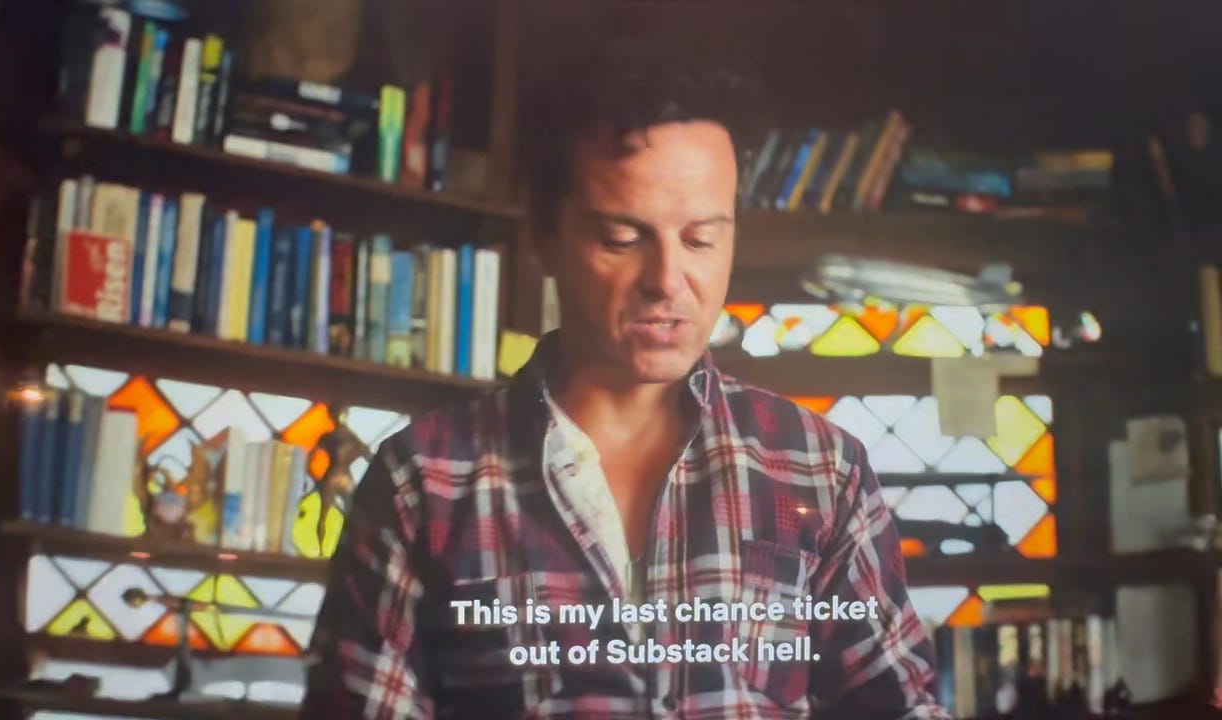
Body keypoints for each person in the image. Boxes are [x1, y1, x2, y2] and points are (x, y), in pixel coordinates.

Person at [303, 41, 949, 719]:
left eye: (701, 239)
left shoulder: (822, 473)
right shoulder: (423, 481)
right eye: (621, 238)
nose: (667, 280)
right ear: (544, 234)